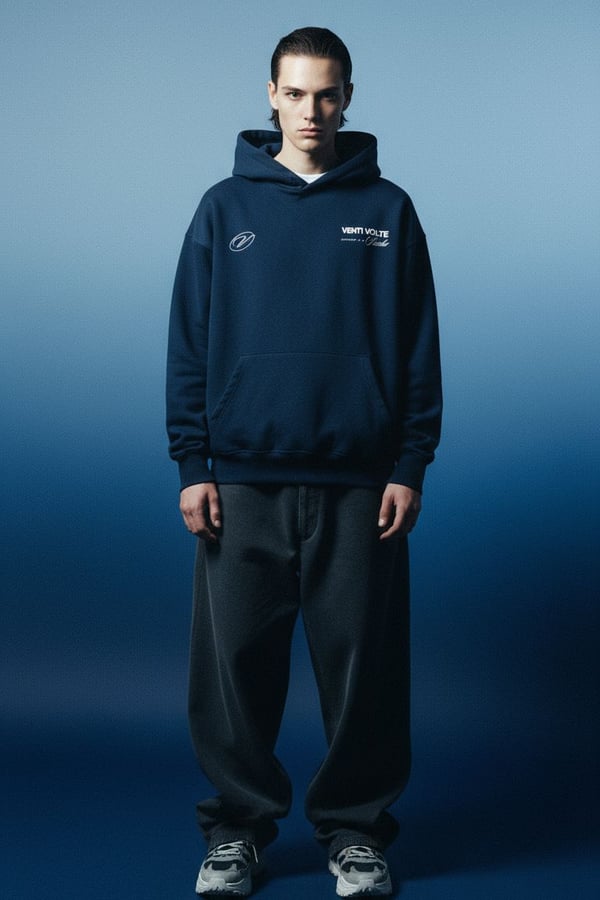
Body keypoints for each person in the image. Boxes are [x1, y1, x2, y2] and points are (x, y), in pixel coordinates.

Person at [166, 26, 442, 897]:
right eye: (295, 93)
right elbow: (189, 343)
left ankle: (356, 833)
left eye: (327, 94)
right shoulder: (223, 208)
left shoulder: (389, 210)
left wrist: (410, 463)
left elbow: (418, 347)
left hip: (361, 484)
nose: (311, 111)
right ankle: (237, 830)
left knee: (364, 673)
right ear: (271, 97)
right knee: (234, 673)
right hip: (241, 480)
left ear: (348, 97)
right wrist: (193, 463)